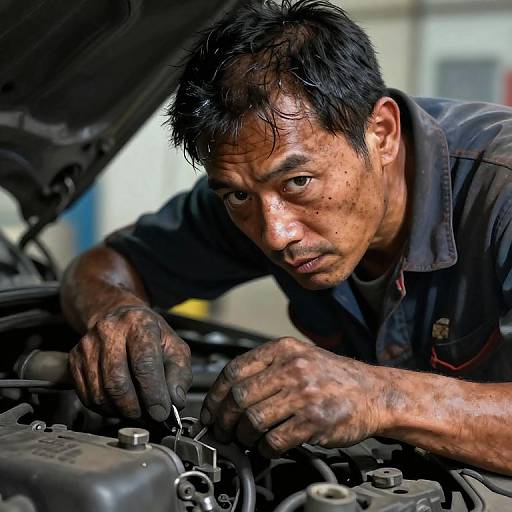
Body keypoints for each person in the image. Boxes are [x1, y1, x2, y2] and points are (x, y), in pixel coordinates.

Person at [60, 0, 512, 474]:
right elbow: (99, 267)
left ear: (381, 133)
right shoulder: (252, 189)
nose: (275, 235)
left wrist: (379, 396)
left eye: (298, 183)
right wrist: (115, 313)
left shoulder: (500, 192)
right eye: (237, 196)